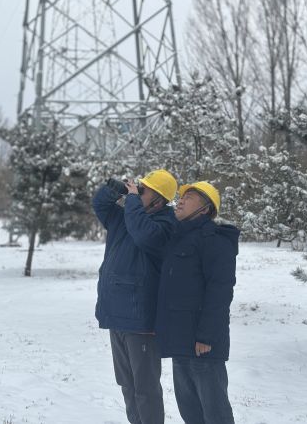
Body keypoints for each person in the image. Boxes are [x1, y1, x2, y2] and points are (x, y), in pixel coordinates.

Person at [93, 169, 178, 424]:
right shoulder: (126, 217)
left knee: (145, 387)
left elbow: (144, 234)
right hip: (116, 315)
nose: (138, 191)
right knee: (127, 384)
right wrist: (114, 189)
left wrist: (131, 200)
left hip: (141, 321)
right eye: (139, 187)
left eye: (144, 190)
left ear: (159, 200)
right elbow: (100, 205)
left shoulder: (166, 224)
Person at [155, 181, 239, 424]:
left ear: (205, 209)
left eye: (189, 198)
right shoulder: (178, 238)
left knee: (215, 414)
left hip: (203, 345)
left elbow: (220, 291)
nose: (180, 201)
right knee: (190, 412)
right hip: (180, 341)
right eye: (181, 197)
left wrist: (207, 336)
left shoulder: (215, 240)